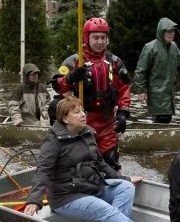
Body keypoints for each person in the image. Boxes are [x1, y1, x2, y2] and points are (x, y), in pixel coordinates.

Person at [22, 96, 172, 222]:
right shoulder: (53, 141)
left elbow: (100, 164)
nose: (83, 115)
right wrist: (34, 200)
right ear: (65, 118)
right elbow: (43, 170)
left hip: (91, 188)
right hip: (67, 197)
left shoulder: (87, 133)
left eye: (83, 111)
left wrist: (125, 179)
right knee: (104, 208)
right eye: (77, 112)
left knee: (126, 187)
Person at [51, 17, 132, 171]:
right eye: (96, 37)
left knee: (110, 161)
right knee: (83, 164)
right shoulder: (75, 61)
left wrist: (123, 113)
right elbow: (57, 85)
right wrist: (70, 78)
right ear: (87, 38)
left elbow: (124, 88)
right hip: (82, 122)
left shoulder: (114, 62)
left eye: (103, 38)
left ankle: (113, 189)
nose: (100, 42)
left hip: (107, 121)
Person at [132, 18, 180, 123]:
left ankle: (160, 136)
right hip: (156, 94)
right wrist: (141, 90)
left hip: (169, 93)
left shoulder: (174, 47)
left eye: (173, 31)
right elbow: (140, 70)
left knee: (166, 119)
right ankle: (159, 136)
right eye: (168, 31)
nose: (171, 34)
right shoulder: (150, 48)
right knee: (161, 118)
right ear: (161, 31)